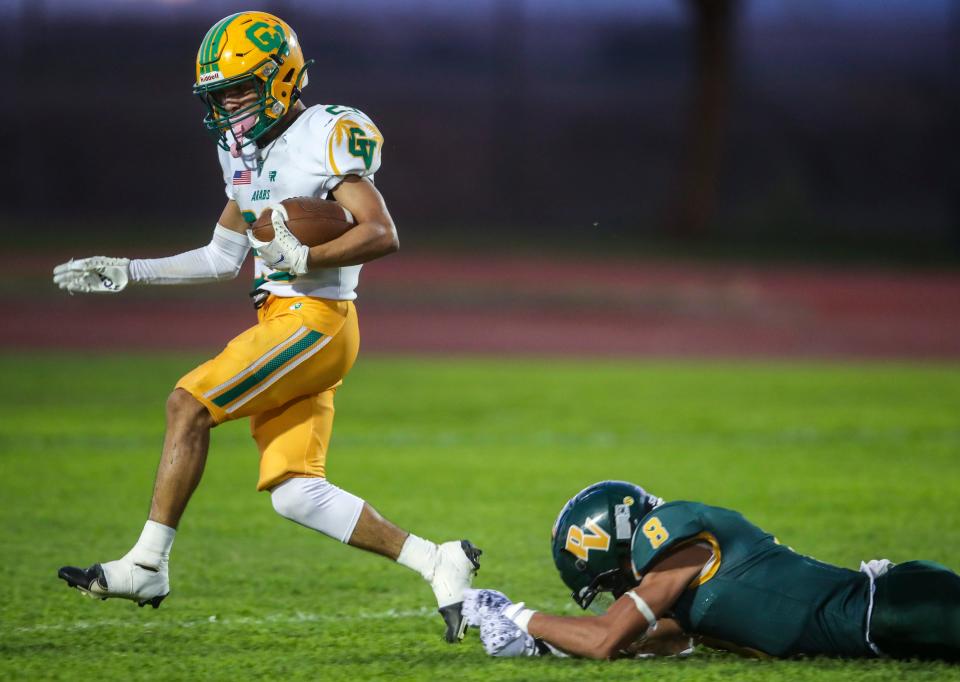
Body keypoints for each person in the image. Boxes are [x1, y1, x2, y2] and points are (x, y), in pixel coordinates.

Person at [53, 11, 480, 643]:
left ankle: (147, 563)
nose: (228, 105)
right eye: (218, 94)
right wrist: (127, 271)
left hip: (317, 320)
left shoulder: (325, 131)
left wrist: (306, 257)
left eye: (239, 89)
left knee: (186, 405)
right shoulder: (241, 150)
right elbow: (222, 258)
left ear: (281, 77)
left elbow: (381, 232)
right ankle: (435, 559)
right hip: (284, 319)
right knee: (296, 492)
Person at [463, 480, 960, 660]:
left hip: (896, 607)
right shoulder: (680, 594)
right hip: (886, 621)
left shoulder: (671, 535)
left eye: (611, 575)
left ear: (620, 544)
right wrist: (544, 644)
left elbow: (603, 639)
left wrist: (519, 615)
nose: (617, 589)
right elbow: (647, 640)